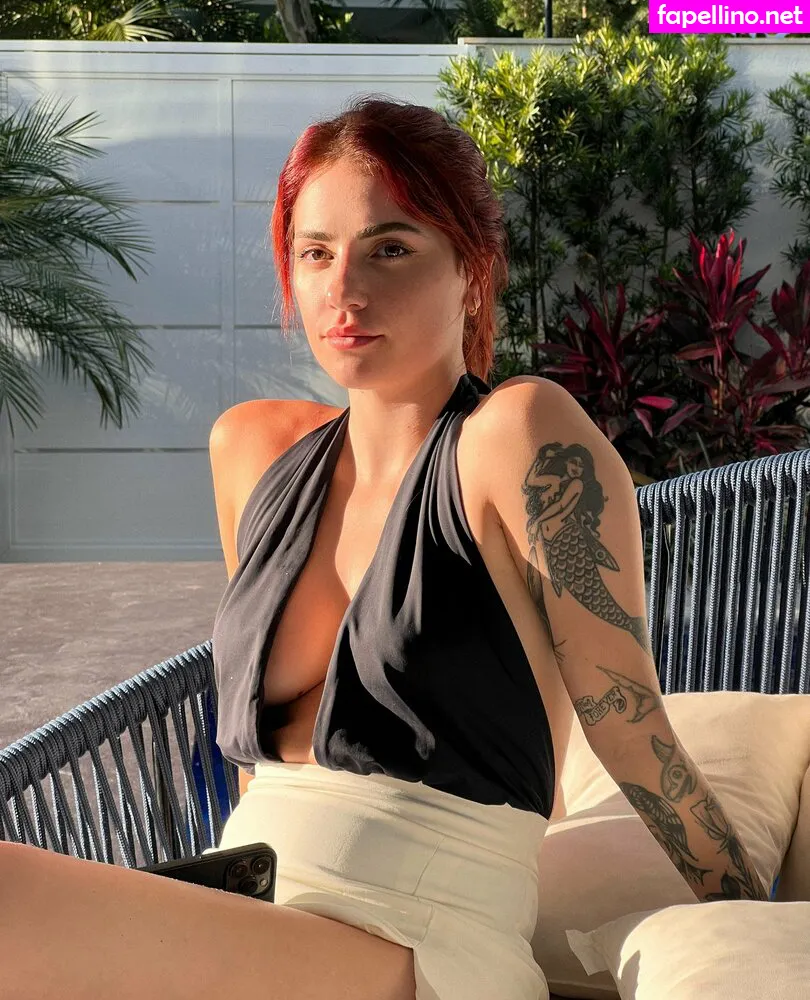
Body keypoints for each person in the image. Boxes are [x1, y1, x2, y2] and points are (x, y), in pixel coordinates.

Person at [0, 95, 766, 1000]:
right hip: (253, 923)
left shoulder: (517, 436)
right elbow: (253, 770)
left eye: (390, 248)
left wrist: (760, 925)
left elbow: (630, 728)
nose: (344, 290)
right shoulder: (253, 450)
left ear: (472, 270)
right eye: (316, 253)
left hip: (420, 940)